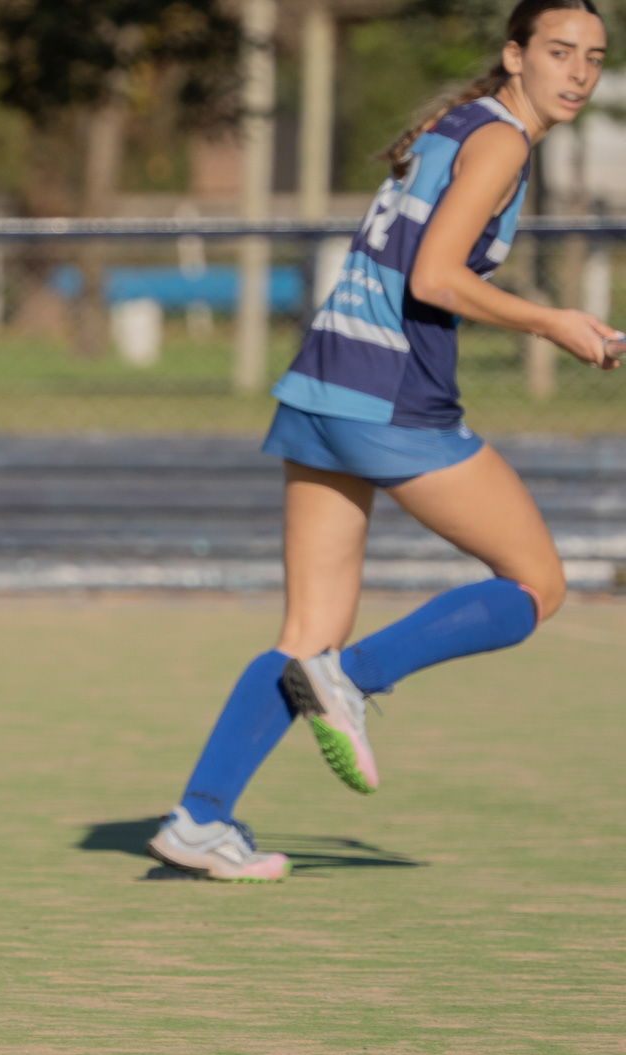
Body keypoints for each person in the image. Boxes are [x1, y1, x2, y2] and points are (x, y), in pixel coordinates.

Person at [149, 0, 614, 881]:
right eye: (560, 51)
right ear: (516, 55)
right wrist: (552, 320)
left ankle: (199, 818)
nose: (579, 72)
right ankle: (355, 677)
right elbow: (434, 278)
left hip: (323, 381)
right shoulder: (502, 141)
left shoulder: (459, 121)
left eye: (593, 55)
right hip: (391, 397)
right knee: (537, 584)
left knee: (305, 630)